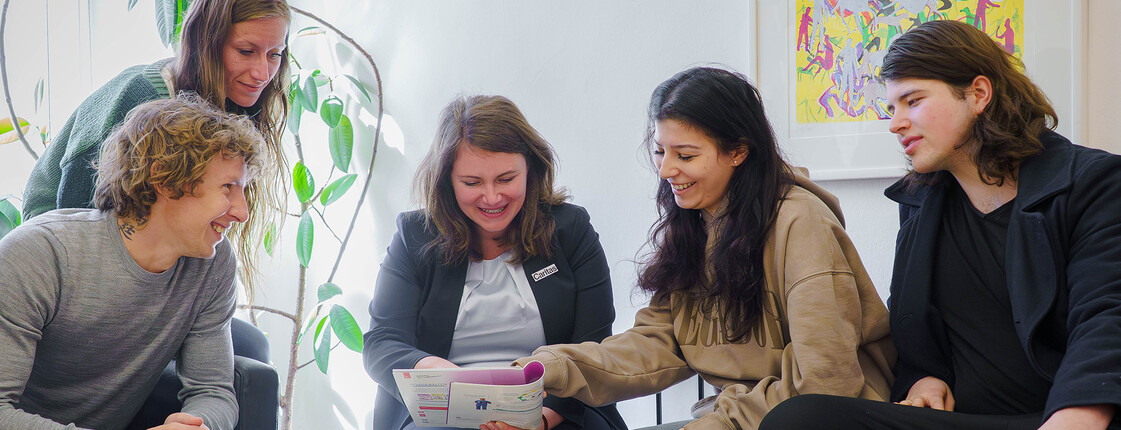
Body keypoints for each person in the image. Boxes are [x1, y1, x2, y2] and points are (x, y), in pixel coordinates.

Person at [759, 20, 1121, 430]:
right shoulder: (920, 203)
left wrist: (1078, 417)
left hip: (1064, 417)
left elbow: (1107, 316)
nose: (895, 123)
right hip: (967, 420)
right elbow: (916, 331)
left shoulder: (1094, 183)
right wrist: (926, 379)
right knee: (800, 419)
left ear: (978, 94)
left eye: (912, 101)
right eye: (891, 108)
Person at [506, 66, 895, 430]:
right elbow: (658, 343)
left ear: (738, 152)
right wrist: (555, 367)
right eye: (660, 151)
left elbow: (827, 382)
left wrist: (719, 422)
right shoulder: (695, 221)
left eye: (685, 155)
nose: (665, 170)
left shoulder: (801, 223)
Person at [0, 94, 268, 429]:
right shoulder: (39, 254)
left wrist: (198, 425)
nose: (242, 212)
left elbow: (213, 391)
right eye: (227, 187)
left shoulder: (212, 263)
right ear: (165, 179)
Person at [362, 95, 627, 430]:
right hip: (443, 416)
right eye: (472, 183)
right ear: (447, 181)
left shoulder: (571, 230)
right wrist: (433, 370)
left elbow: (594, 348)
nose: (491, 197)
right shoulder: (415, 236)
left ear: (530, 169)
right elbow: (381, 342)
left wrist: (540, 420)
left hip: (558, 411)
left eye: (506, 179)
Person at [22, 0, 290, 297]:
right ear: (207, 41)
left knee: (249, 344)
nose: (263, 73)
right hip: (61, 249)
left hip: (148, 264)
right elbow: (73, 214)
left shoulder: (234, 103)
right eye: (246, 51)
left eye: (274, 54)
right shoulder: (140, 98)